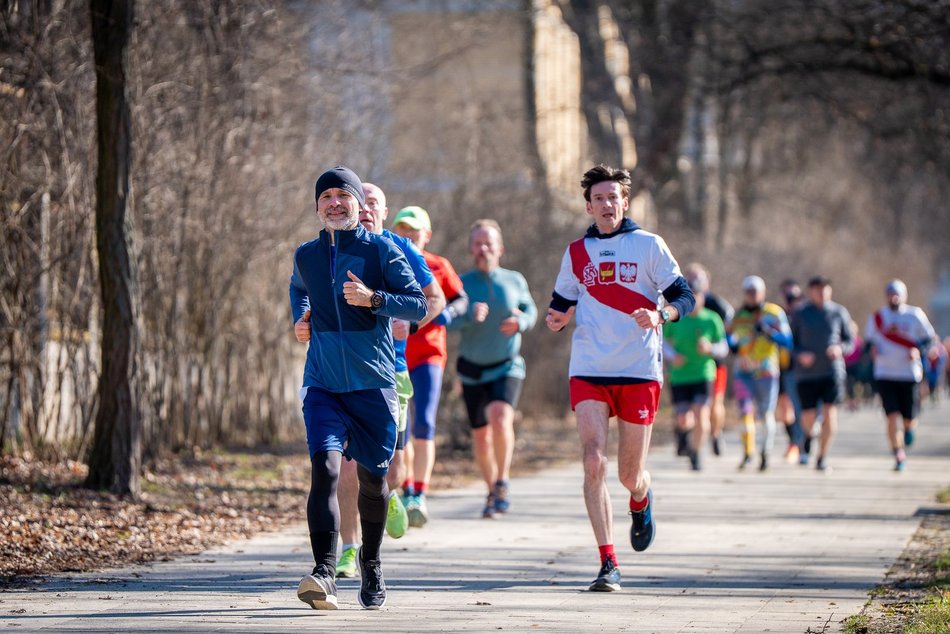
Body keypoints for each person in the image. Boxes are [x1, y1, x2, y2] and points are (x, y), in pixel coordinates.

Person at [546, 164, 694, 592]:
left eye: (614, 198)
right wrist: (555, 319)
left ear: (624, 202)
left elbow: (685, 296)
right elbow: (560, 303)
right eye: (599, 199)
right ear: (589, 205)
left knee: (631, 474)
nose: (607, 205)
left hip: (638, 370)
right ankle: (608, 562)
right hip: (590, 368)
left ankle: (641, 498)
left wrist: (661, 313)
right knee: (593, 460)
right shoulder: (576, 253)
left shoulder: (649, 245)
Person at [289, 165, 428, 610]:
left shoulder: (382, 250)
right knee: (326, 470)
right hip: (324, 383)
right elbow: (299, 289)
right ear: (317, 206)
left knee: (373, 480)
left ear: (359, 205)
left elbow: (419, 304)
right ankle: (324, 572)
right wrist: (301, 317)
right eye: (326, 197)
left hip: (373, 385)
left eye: (342, 196)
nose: (334, 203)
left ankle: (371, 561)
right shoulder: (306, 254)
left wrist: (375, 300)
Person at [334, 184, 445, 579]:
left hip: (391, 373)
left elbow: (436, 299)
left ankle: (391, 492)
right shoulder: (335, 247)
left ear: (383, 211)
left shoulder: (401, 248)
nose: (365, 209)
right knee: (348, 467)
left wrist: (410, 322)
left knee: (389, 469)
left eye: (373, 204)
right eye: (358, 202)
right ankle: (350, 549)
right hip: (345, 374)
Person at [448, 219, 537, 519]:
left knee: (500, 417)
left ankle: (503, 480)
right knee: (481, 435)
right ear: (471, 249)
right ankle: (491, 490)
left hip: (507, 364)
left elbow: (531, 310)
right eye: (477, 244)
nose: (483, 249)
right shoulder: (461, 283)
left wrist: (520, 322)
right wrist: (468, 316)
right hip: (472, 369)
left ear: (500, 248)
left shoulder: (514, 280)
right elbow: (447, 321)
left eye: (489, 243)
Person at [391, 205, 469, 527]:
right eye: (402, 229)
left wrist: (446, 315)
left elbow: (460, 298)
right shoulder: (388, 262)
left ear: (427, 234)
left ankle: (418, 494)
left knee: (423, 422)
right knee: (401, 428)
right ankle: (406, 485)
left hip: (429, 355)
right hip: (394, 354)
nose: (408, 235)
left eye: (414, 230)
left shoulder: (438, 264)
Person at [865, 279, 939, 471]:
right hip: (885, 373)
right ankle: (898, 453)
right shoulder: (878, 317)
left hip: (909, 374)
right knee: (891, 416)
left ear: (904, 295)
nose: (893, 297)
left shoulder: (915, 315)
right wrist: (871, 350)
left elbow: (930, 339)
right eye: (890, 293)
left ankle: (908, 428)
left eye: (897, 293)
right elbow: (868, 342)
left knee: (908, 417)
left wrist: (919, 351)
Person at [728, 275, 792, 472]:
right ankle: (748, 453)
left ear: (763, 292)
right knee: (745, 411)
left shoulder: (774, 313)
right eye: (748, 292)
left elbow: (788, 341)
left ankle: (765, 453)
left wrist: (768, 332)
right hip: (743, 372)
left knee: (765, 414)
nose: (752, 295)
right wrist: (734, 346)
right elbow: (728, 336)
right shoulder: (738, 315)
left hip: (766, 372)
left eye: (755, 292)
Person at [790, 276, 854, 472]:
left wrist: (840, 349)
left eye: (826, 289)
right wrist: (800, 354)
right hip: (806, 374)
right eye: (818, 289)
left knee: (830, 414)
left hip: (832, 371)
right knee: (808, 418)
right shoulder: (800, 314)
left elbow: (851, 341)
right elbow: (790, 342)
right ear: (810, 291)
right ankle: (811, 434)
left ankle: (822, 457)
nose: (822, 293)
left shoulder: (839, 312)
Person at [663, 281, 727, 471]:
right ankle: (685, 437)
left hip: (704, 373)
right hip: (680, 375)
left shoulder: (712, 319)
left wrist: (711, 348)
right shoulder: (677, 318)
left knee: (701, 415)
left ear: (702, 297)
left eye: (696, 296)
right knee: (683, 419)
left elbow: (723, 347)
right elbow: (662, 341)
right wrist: (673, 356)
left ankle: (697, 454)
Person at [684, 263, 733, 456]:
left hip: (713, 363)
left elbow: (731, 323)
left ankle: (715, 434)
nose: (694, 282)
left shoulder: (715, 303)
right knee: (690, 408)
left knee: (715, 404)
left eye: (698, 278)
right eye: (690, 278)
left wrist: (715, 347)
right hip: (688, 365)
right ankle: (690, 437)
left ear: (707, 281)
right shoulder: (681, 301)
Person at [777, 279, 805, 463]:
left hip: (800, 370)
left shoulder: (805, 317)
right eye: (788, 297)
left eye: (794, 296)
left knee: (799, 408)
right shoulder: (778, 316)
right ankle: (795, 441)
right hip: (780, 368)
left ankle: (799, 443)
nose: (791, 300)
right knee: (784, 410)